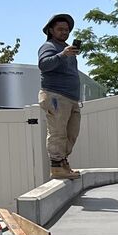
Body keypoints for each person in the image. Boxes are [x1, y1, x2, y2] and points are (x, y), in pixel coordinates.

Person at [37, 13, 83, 180]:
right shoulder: (49, 46)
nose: (64, 32)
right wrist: (62, 54)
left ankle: (63, 163)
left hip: (70, 98)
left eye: (67, 29)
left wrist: (66, 53)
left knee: (71, 133)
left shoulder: (67, 49)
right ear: (51, 30)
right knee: (57, 132)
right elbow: (43, 65)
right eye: (60, 29)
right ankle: (56, 167)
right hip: (55, 95)